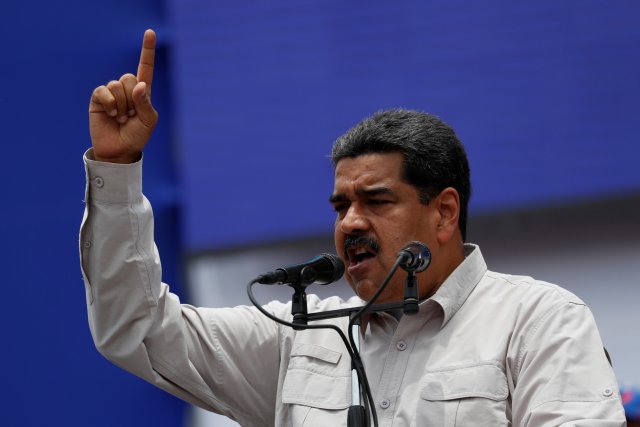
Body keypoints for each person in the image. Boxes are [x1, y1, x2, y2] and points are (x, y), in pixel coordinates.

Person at [81, 29, 626, 426]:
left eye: (377, 200)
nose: (352, 222)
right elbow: (136, 328)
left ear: (444, 212)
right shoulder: (299, 338)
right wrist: (116, 169)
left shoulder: (537, 320)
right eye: (341, 205)